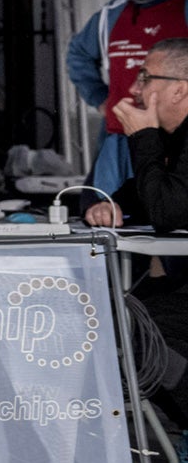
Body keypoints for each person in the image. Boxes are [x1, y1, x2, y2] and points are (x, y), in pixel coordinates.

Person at [83, 37, 188, 425]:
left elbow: (168, 209)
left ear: (179, 88)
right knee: (116, 318)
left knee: (125, 325)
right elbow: (145, 196)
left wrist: (142, 137)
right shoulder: (173, 138)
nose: (133, 88)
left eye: (145, 77)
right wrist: (110, 206)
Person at [69, 0, 188, 197]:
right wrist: (100, 99)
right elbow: (78, 55)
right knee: (106, 219)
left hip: (175, 147)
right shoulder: (113, 12)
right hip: (119, 142)